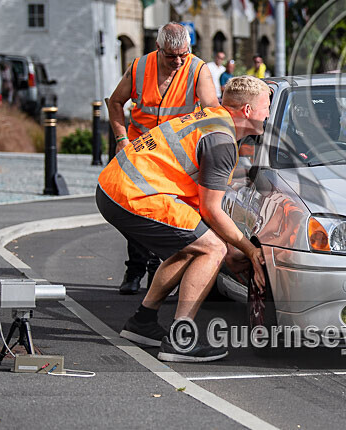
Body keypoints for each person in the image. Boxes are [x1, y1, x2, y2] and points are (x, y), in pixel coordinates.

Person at [97, 76, 271, 362]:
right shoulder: (221, 141)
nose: (268, 114)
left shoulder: (213, 119)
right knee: (212, 248)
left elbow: (202, 209)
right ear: (248, 111)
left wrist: (232, 245)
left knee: (192, 245)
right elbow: (211, 209)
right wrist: (248, 249)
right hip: (133, 193)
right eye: (266, 107)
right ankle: (180, 340)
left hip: (117, 186)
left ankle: (142, 322)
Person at [107, 23, 219, 295]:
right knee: (136, 208)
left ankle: (160, 273)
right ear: (158, 48)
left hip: (175, 157)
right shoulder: (139, 67)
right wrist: (121, 140)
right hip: (140, 151)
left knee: (171, 214)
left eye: (183, 54)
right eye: (171, 56)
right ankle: (135, 268)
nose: (178, 61)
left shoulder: (197, 69)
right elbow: (115, 102)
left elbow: (212, 111)